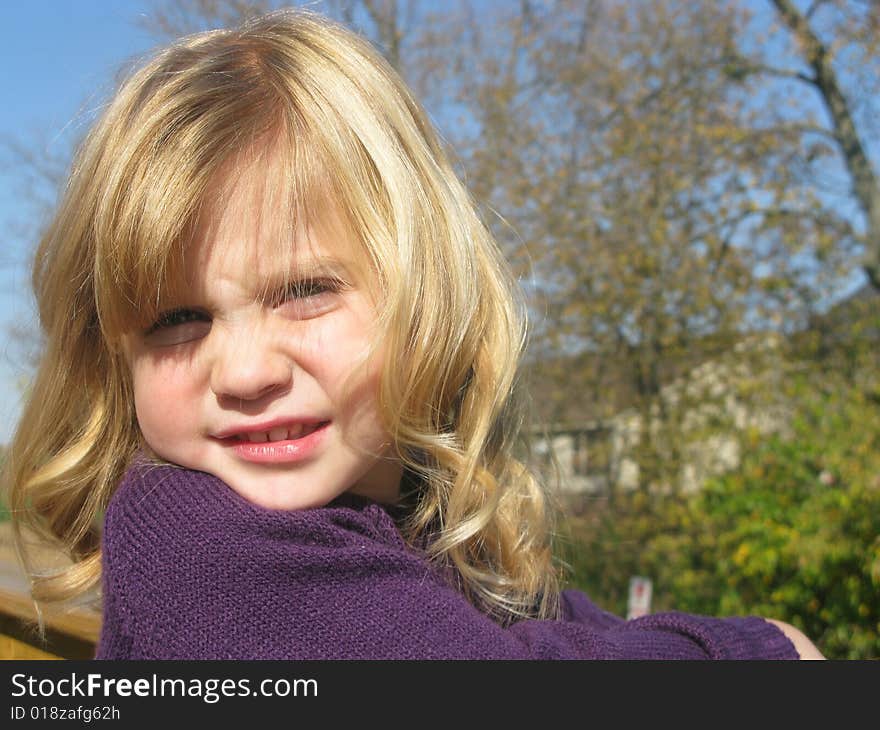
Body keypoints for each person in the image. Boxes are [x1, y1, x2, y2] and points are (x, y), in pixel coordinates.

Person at [6, 9, 822, 660]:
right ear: (114, 351)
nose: (245, 370)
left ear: (427, 298)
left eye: (304, 291)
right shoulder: (197, 539)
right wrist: (756, 649)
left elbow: (543, 617)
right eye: (177, 319)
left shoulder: (409, 512)